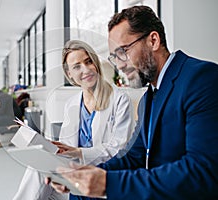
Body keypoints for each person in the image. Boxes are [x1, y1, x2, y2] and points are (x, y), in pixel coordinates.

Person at [47, 5, 218, 199]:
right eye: (114, 57)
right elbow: (133, 157)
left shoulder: (201, 78)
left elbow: (202, 171)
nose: (119, 64)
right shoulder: (149, 97)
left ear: (153, 40)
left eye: (123, 51)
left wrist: (107, 183)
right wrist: (84, 175)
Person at [12, 40, 135, 200]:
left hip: (100, 179)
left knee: (39, 177)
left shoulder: (119, 100)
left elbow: (119, 150)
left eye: (88, 61)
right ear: (69, 74)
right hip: (73, 178)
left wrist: (79, 152)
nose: (85, 70)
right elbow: (67, 149)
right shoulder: (72, 104)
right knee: (38, 167)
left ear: (95, 63)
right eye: (77, 66)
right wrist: (53, 148)